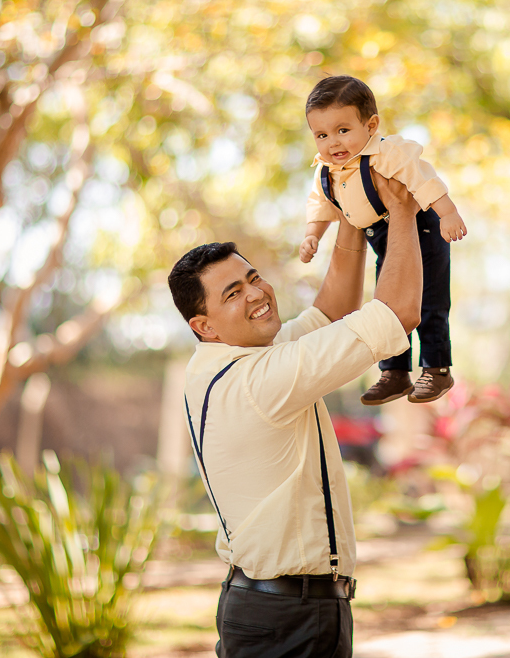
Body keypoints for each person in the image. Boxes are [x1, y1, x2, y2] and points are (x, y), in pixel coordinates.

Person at [167, 171, 423, 658]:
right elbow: (399, 312)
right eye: (233, 294)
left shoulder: (226, 360)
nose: (257, 295)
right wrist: (404, 212)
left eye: (252, 278)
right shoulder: (260, 381)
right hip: (292, 618)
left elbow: (332, 312)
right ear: (204, 325)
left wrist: (352, 201)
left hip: (270, 608)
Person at [298, 75, 466, 406]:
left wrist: (447, 213)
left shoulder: (386, 154)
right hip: (382, 238)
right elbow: (320, 206)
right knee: (387, 302)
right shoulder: (325, 172)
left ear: (371, 125)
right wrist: (311, 236)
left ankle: (437, 368)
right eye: (322, 135)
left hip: (422, 229)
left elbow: (423, 179)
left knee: (427, 301)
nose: (333, 142)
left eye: (343, 130)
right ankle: (395, 372)